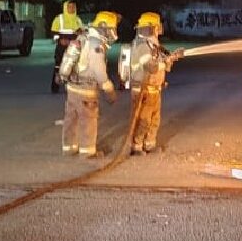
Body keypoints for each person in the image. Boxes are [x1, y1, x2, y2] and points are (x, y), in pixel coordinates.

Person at [57, 10, 119, 158]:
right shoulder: (96, 45)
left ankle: (69, 148)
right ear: (104, 28)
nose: (113, 32)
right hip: (86, 91)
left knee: (71, 119)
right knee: (88, 120)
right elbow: (99, 71)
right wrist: (109, 89)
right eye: (111, 28)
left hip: (72, 87)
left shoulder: (83, 37)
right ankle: (88, 152)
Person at [121, 12, 181, 155]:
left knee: (154, 119)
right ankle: (137, 146)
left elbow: (162, 63)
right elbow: (151, 67)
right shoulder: (142, 45)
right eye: (157, 26)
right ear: (151, 28)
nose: (159, 29)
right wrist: (166, 62)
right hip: (144, 90)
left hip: (154, 89)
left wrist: (172, 57)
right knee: (143, 120)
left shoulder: (153, 45)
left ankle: (149, 145)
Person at [49, 1, 85, 93]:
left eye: (73, 7)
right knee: (58, 64)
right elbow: (53, 32)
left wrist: (80, 33)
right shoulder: (59, 18)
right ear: (65, 8)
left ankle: (73, 86)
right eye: (69, 7)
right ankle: (55, 86)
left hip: (74, 46)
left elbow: (82, 32)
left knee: (75, 65)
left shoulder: (78, 19)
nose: (72, 9)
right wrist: (59, 40)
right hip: (62, 45)